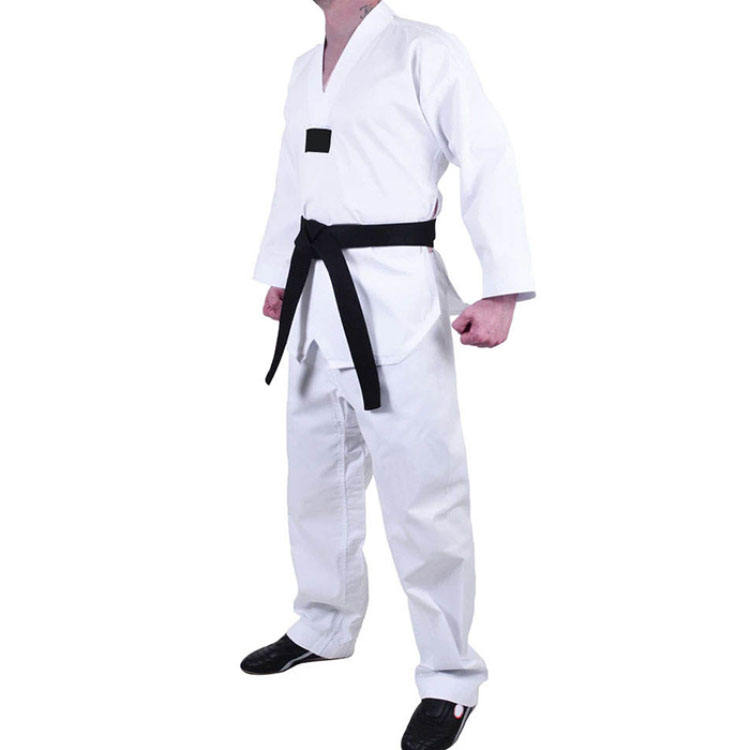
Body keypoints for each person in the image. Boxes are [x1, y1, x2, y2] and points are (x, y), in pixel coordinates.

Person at [241, 2, 534, 748]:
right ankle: (323, 624)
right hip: (316, 295)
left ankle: (450, 676)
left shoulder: (424, 51)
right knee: (315, 480)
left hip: (395, 299)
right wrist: (279, 271)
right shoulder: (304, 69)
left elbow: (488, 156)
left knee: (425, 498)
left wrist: (501, 289)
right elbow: (294, 176)